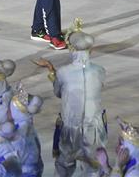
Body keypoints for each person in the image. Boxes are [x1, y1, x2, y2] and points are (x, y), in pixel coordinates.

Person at [34, 19, 106, 177]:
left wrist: (51, 70)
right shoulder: (100, 71)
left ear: (72, 49)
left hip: (71, 129)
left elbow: (59, 93)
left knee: (64, 166)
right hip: (93, 129)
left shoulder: (64, 72)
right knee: (93, 168)